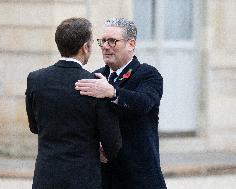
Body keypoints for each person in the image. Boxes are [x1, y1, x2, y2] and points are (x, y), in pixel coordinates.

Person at [25, 17, 122, 189]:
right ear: (85, 47)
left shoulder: (35, 79)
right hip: (83, 178)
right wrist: (104, 152)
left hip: (46, 176)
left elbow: (34, 127)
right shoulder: (97, 84)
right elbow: (112, 142)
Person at [75, 18, 167, 189]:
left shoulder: (147, 74)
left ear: (131, 44)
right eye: (103, 41)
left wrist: (112, 92)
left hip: (139, 175)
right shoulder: (95, 77)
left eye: (112, 41)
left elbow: (143, 103)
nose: (105, 46)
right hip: (104, 175)